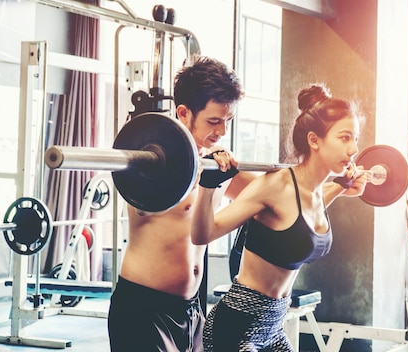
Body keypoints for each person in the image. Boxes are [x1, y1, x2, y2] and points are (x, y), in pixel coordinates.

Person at [192, 83, 368, 351]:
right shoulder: (277, 186)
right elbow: (203, 234)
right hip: (236, 327)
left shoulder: (316, 193)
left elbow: (301, 217)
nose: (354, 148)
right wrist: (208, 185)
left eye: (355, 138)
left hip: (272, 325)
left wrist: (342, 187)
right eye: (345, 138)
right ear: (314, 140)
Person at [107, 56, 256, 352]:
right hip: (143, 310)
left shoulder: (215, 163)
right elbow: (145, 205)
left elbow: (269, 194)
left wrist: (332, 182)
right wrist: (200, 172)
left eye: (228, 121)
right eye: (214, 121)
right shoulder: (151, 162)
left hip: (191, 312)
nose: (222, 131)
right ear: (184, 113)